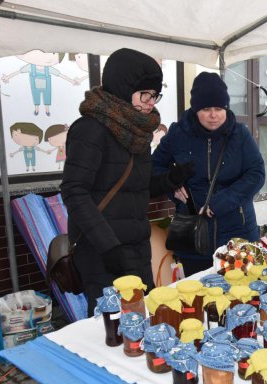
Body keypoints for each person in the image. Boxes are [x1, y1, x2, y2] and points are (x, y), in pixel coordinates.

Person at [61, 48, 193, 315]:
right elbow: (74, 192)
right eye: (145, 94)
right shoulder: (90, 129)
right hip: (102, 250)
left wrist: (168, 181)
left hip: (135, 247)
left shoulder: (137, 132)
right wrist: (109, 247)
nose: (150, 102)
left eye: (155, 95)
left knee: (141, 318)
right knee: (110, 326)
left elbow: (137, 189)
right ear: (123, 86)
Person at [152, 72, 265, 276]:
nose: (214, 115)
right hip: (194, 237)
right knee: (200, 296)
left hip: (237, 234)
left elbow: (256, 174)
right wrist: (172, 185)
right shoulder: (178, 134)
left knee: (241, 295)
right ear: (195, 109)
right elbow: (155, 166)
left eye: (219, 108)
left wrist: (220, 202)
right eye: (206, 109)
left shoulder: (239, 134)